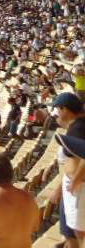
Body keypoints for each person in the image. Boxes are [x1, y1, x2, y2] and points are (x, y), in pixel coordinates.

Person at [49, 93, 85, 248]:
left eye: (57, 109)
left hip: (76, 188)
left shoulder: (78, 129)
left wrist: (76, 179)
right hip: (71, 185)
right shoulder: (76, 127)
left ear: (65, 110)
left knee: (78, 232)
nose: (56, 113)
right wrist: (59, 189)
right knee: (70, 231)